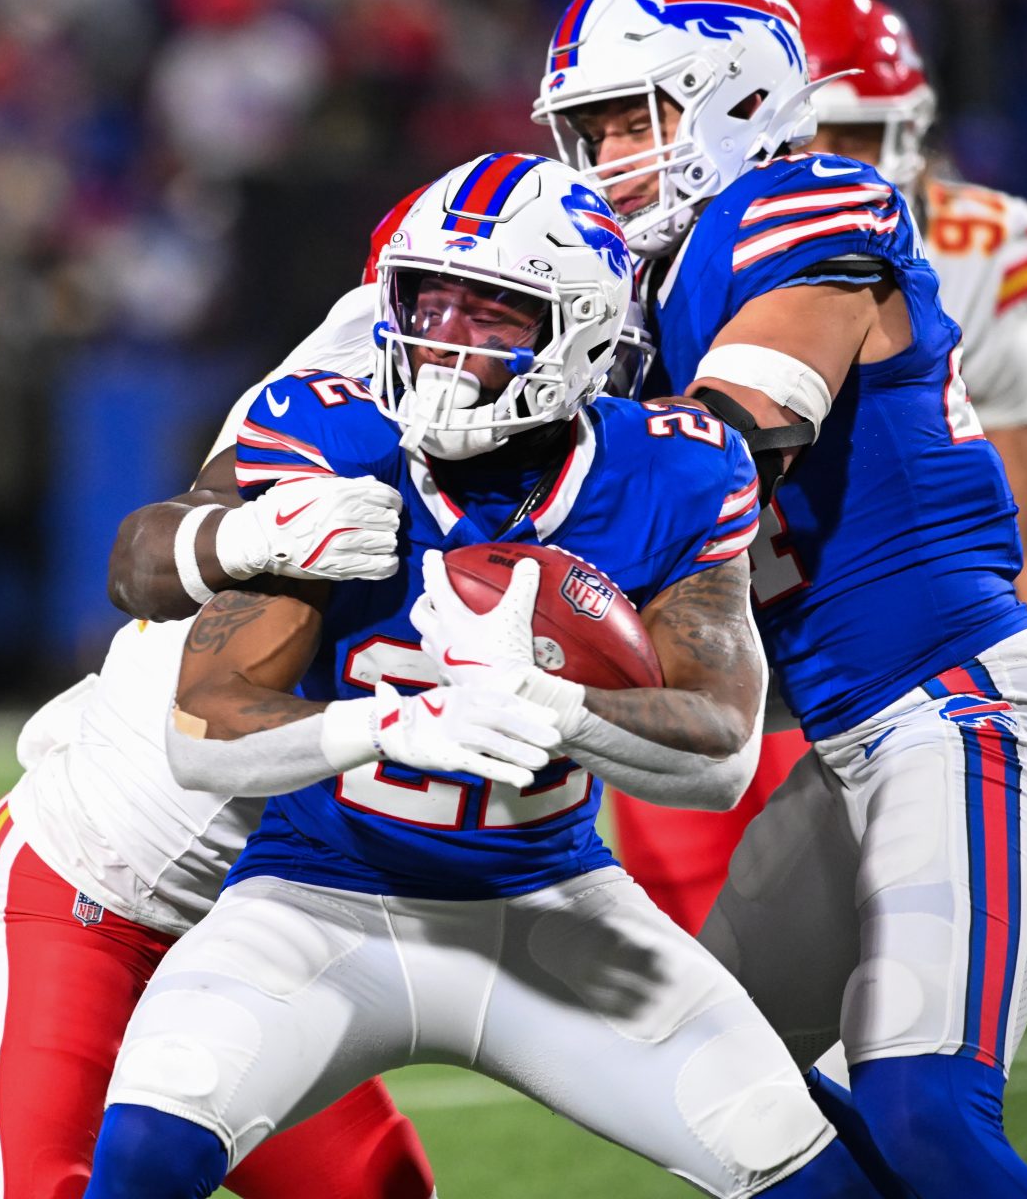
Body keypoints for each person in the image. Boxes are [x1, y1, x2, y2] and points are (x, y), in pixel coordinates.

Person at [84, 153, 877, 1199]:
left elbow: (721, 750)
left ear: (583, 329)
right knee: (145, 1149)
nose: (440, 339)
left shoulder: (674, 468)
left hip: (552, 902)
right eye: (425, 302)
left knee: (807, 1168)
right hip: (315, 899)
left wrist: (553, 701)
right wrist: (381, 728)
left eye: (491, 313)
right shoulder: (329, 438)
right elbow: (203, 727)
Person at [530, 0, 1027, 1198]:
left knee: (924, 1106)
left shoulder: (809, 205)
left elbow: (739, 431)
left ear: (739, 96)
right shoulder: (640, 290)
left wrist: (533, 512)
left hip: (963, 705)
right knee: (721, 1086)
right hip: (851, 746)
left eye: (640, 116)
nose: (611, 155)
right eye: (591, 128)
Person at [605, 0, 1027, 938]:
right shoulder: (637, 258)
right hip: (722, 627)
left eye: (860, 136)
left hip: (903, 665)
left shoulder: (915, 238)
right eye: (823, 133)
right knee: (723, 1022)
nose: (833, 160)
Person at [0, 381, 431, 1195]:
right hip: (77, 886)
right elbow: (140, 560)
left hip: (244, 937)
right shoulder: (351, 425)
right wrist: (248, 535)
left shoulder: (579, 499)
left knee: (377, 1184)